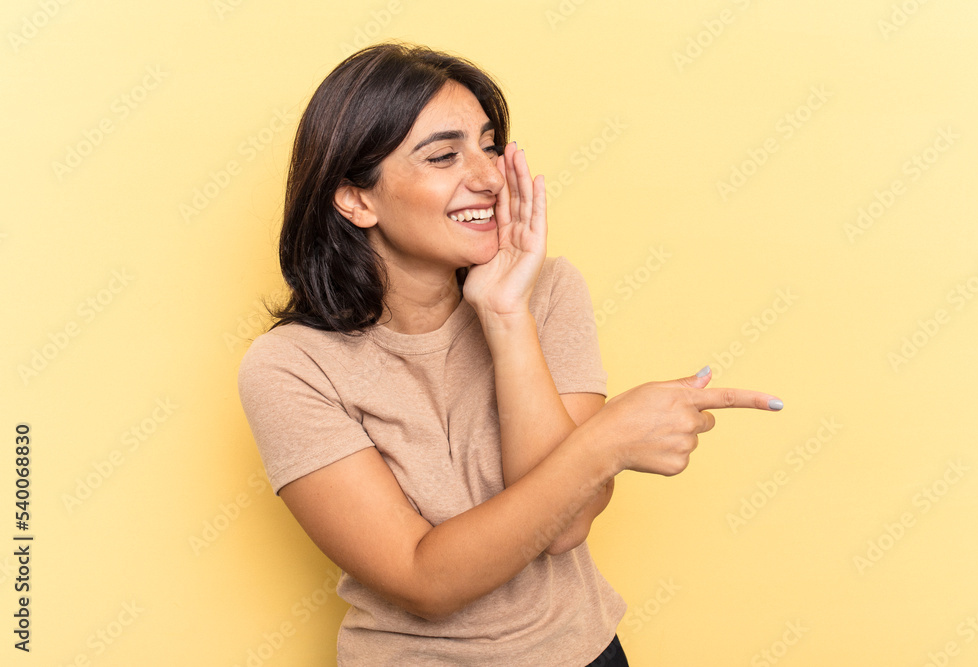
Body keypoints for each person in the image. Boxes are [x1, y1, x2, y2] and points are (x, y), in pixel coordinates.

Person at [237, 42, 784, 666]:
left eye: (490, 146)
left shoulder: (546, 292)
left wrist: (505, 314)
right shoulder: (291, 368)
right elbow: (424, 581)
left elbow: (567, 526)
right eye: (444, 156)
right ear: (356, 199)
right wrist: (609, 441)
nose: (491, 177)